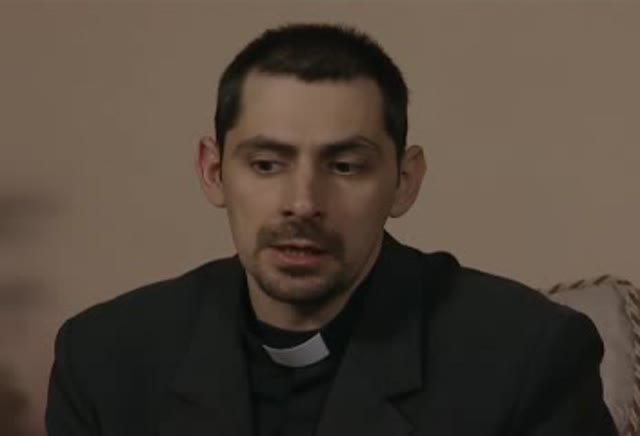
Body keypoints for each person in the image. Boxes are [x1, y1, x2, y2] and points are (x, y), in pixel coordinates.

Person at [45, 23, 618, 436]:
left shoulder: (528, 357)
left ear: (404, 182)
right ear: (213, 172)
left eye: (344, 166)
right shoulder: (103, 358)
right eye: (266, 164)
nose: (303, 203)